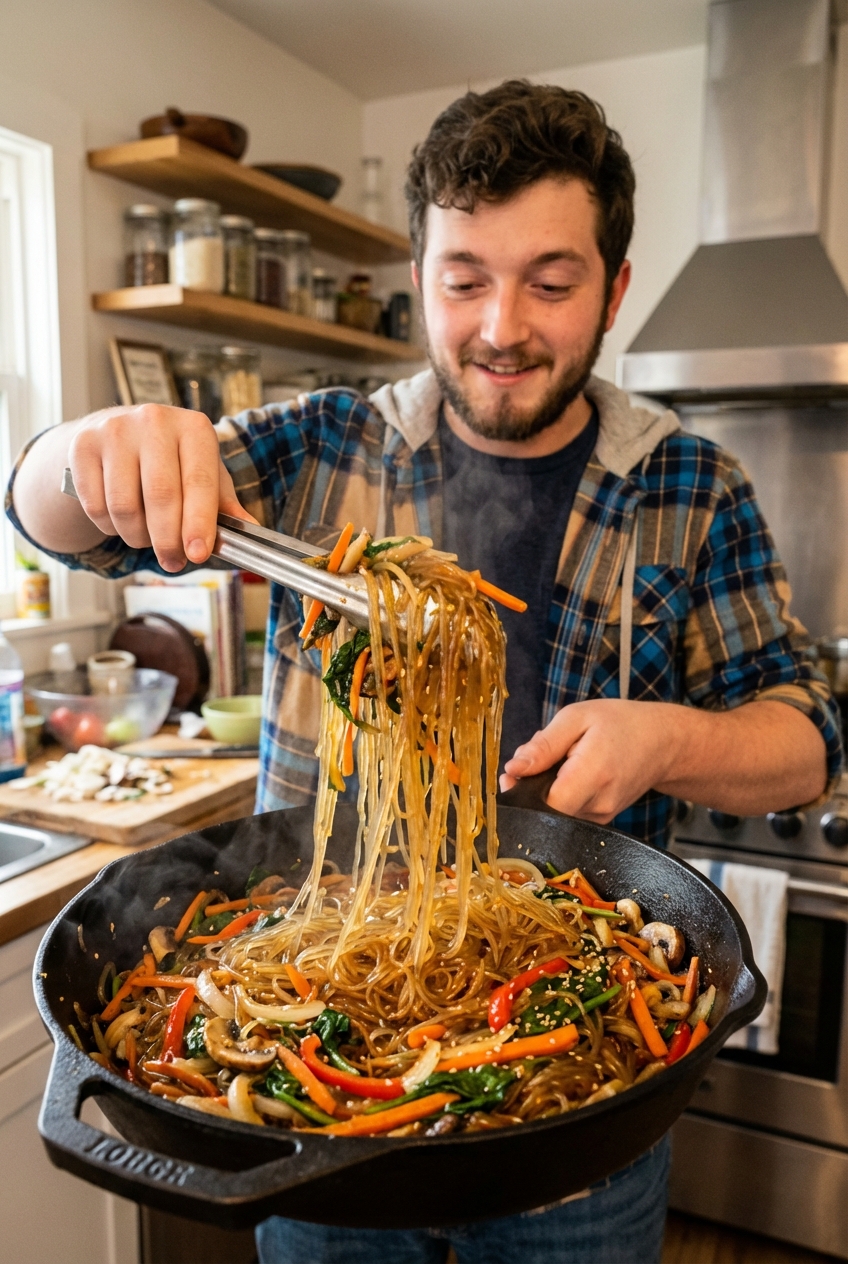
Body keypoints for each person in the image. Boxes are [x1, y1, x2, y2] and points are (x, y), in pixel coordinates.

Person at [8, 81, 841, 1264]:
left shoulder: (690, 488)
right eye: (463, 280)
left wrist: (672, 739)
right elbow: (60, 522)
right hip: (322, 1104)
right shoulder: (320, 444)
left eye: (550, 282)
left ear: (611, 285)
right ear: (418, 277)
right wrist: (78, 450)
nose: (501, 324)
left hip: (576, 1122)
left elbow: (809, 730)